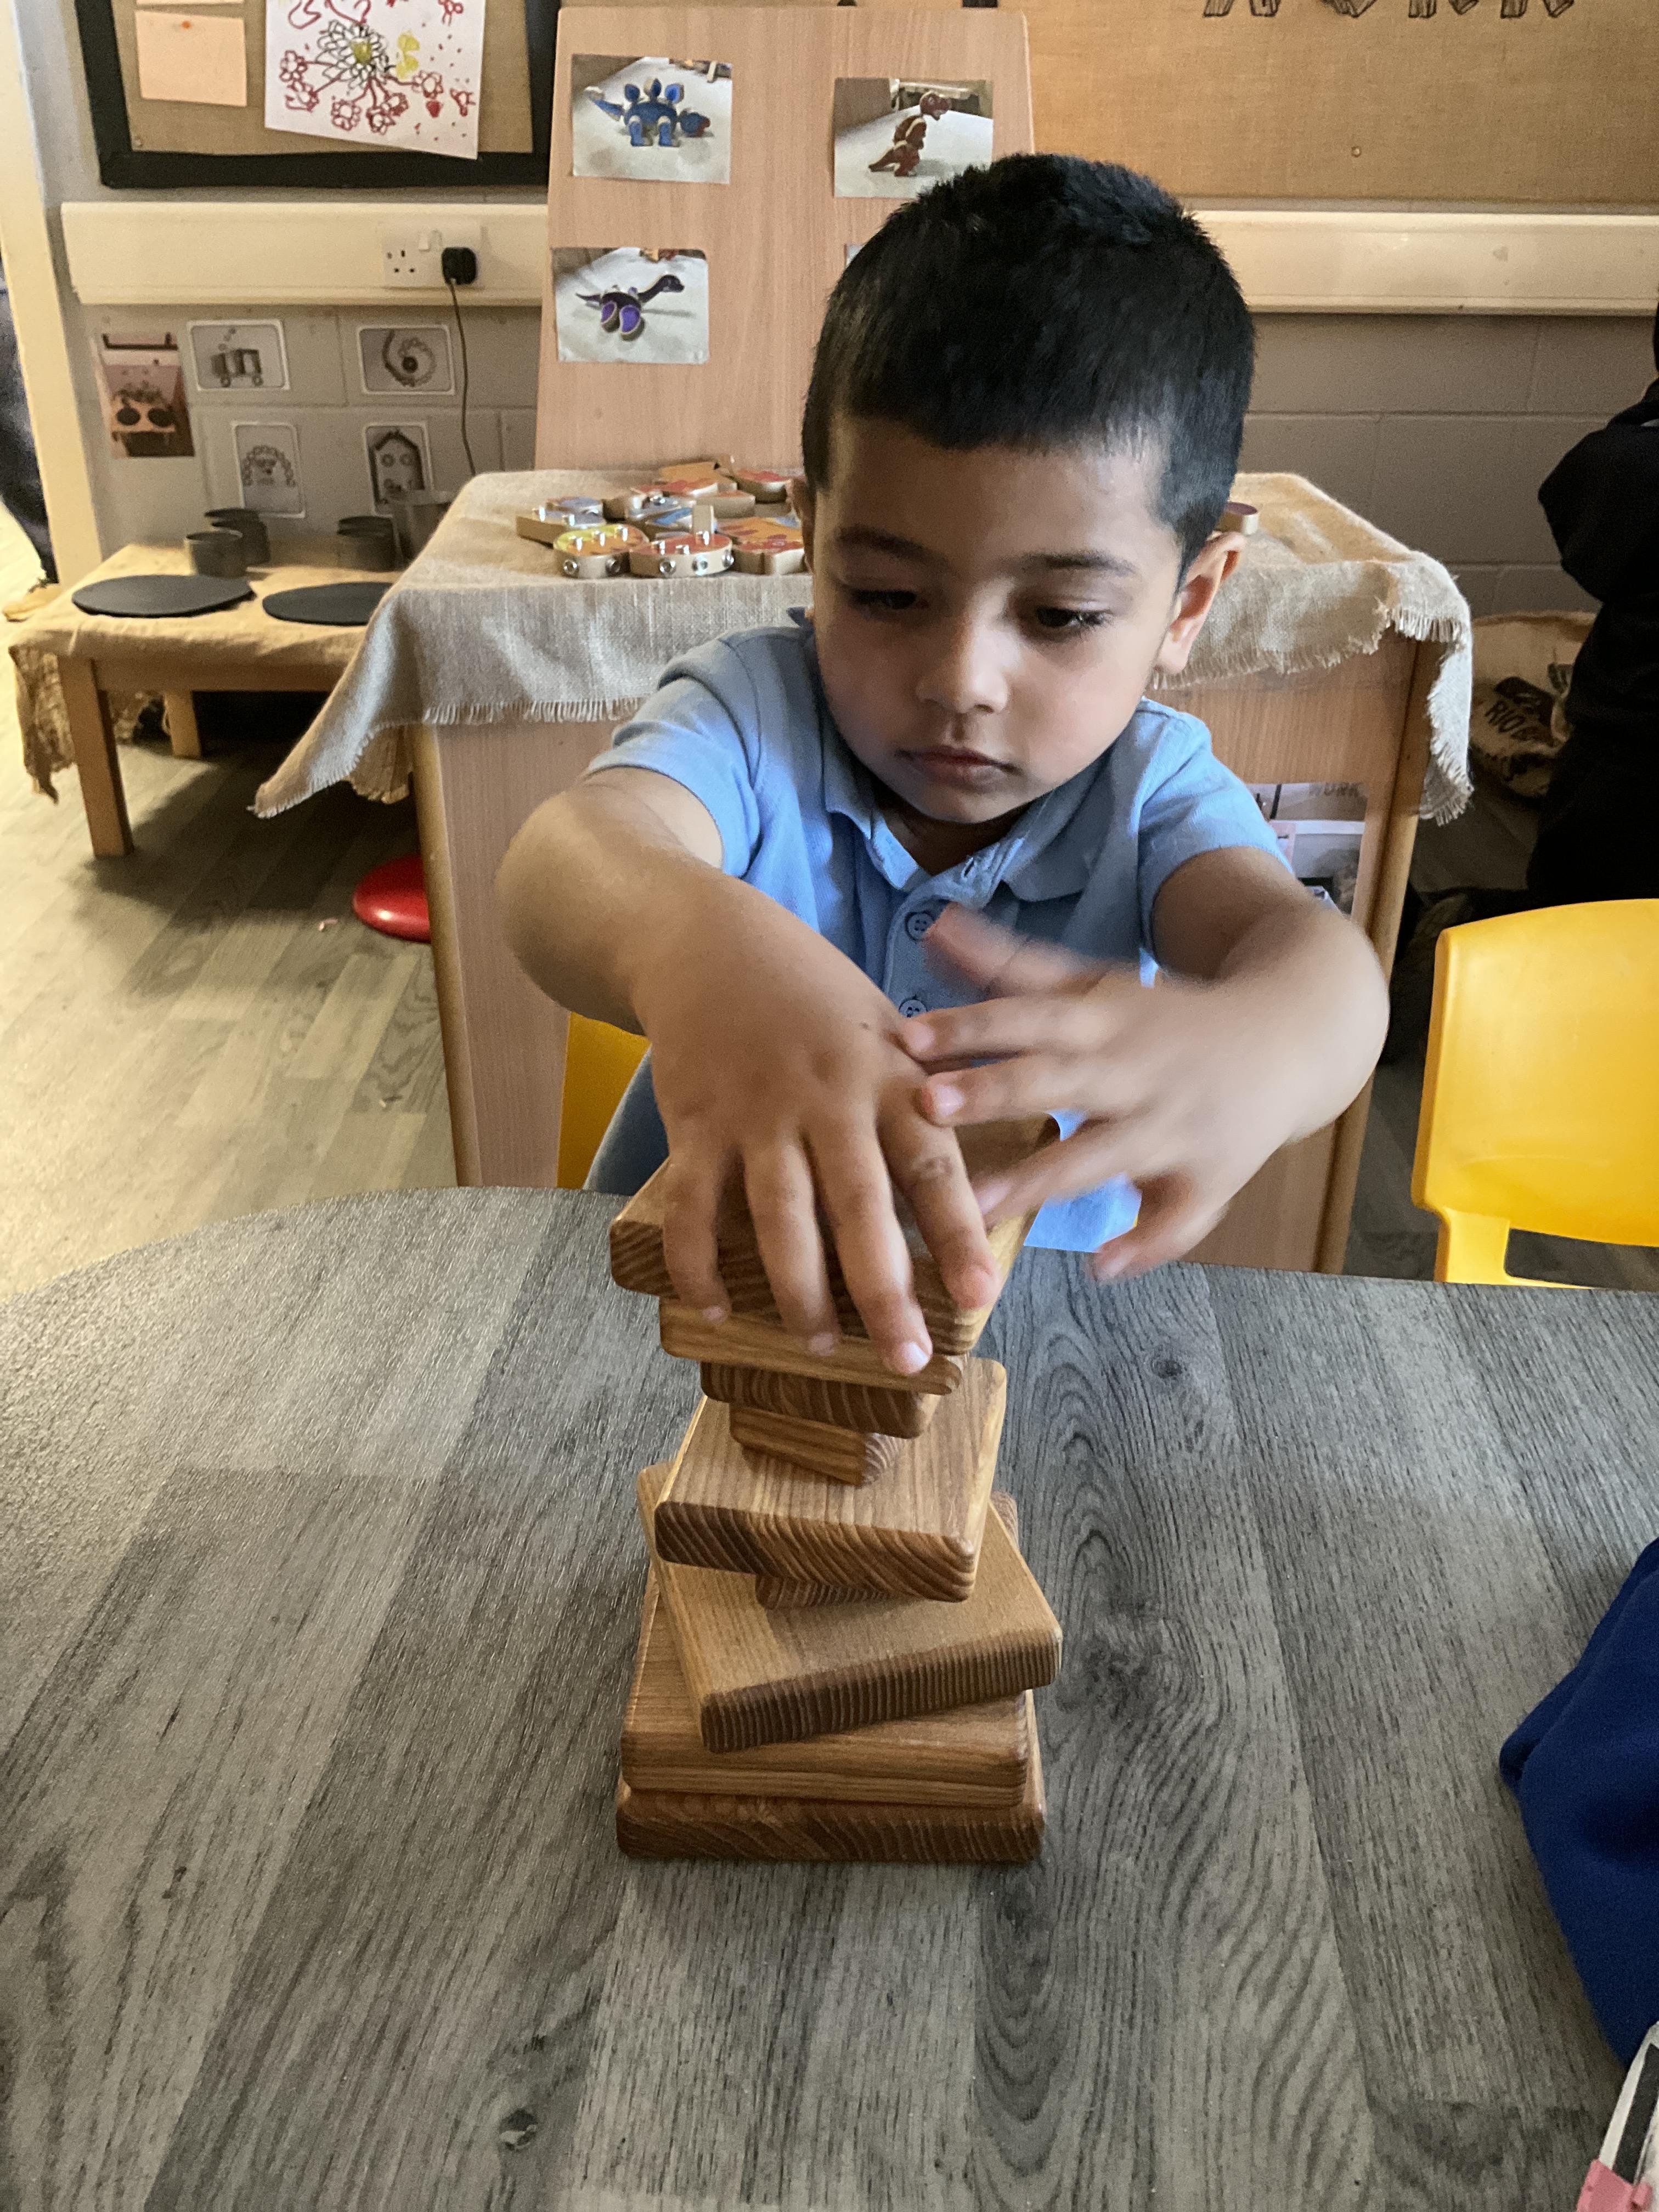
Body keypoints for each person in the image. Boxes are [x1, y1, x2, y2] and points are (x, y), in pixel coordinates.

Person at [499, 155, 1387, 1378]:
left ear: (1189, 604)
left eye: (1062, 616)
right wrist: (685, 942)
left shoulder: (1152, 791)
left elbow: (1317, 968)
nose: (962, 678)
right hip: (693, 1332)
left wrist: (1270, 1043)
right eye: (886, 594)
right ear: (813, 538)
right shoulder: (754, 715)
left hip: (1024, 1349)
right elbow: (566, 857)